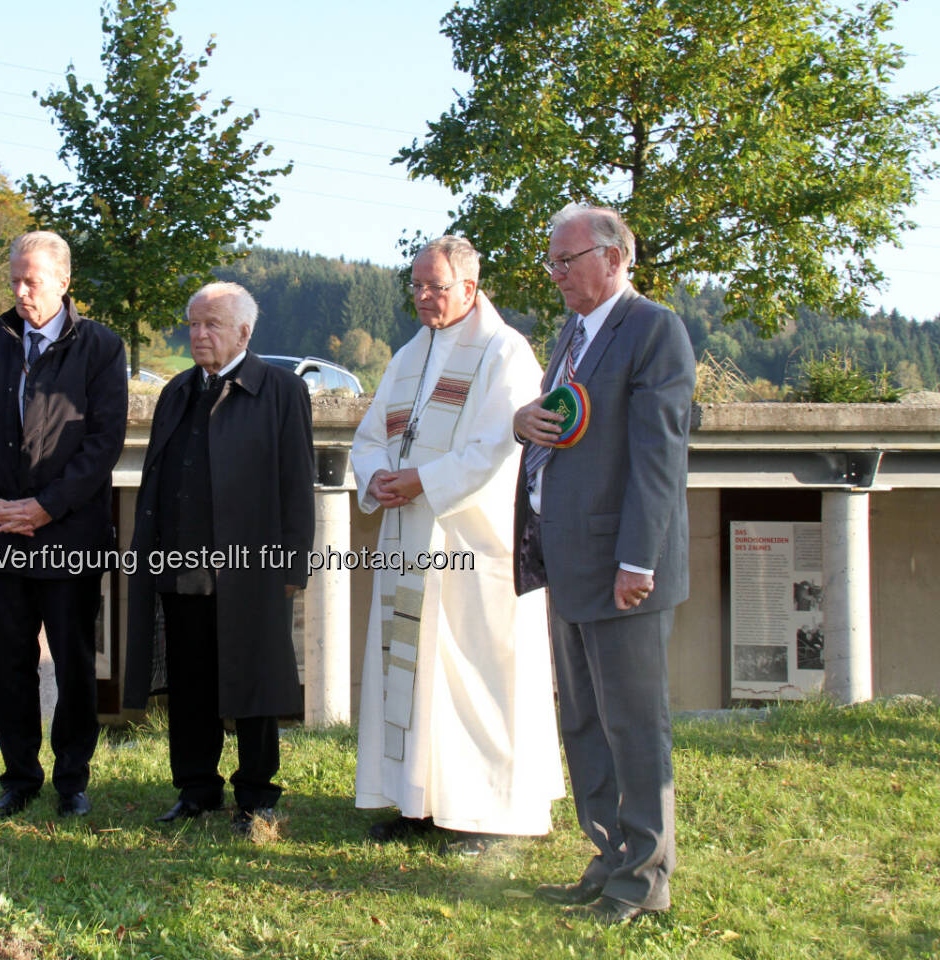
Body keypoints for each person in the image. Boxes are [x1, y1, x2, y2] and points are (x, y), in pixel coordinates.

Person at [512, 204, 696, 924]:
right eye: (551, 263)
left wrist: (636, 561)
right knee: (584, 722)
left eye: (568, 260)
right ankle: (608, 856)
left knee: (634, 727)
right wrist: (521, 422)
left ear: (615, 259)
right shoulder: (572, 335)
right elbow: (559, 426)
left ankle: (644, 881)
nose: (556, 275)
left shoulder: (654, 331)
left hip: (624, 574)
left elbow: (658, 460)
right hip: (569, 563)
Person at [350, 237, 563, 855]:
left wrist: (422, 481)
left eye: (435, 287)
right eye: (415, 285)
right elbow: (369, 436)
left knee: (476, 678)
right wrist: (378, 476)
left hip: (474, 547)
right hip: (409, 539)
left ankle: (487, 815)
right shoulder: (409, 356)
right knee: (414, 675)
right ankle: (418, 802)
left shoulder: (504, 353)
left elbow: (501, 450)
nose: (422, 297)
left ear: (470, 287)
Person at [124, 281, 314, 836]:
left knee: (254, 682)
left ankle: (257, 795)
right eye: (193, 324)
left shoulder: (279, 391)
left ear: (244, 332)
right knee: (189, 682)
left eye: (212, 325)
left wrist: (292, 567)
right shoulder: (177, 391)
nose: (199, 335)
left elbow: (296, 484)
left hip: (252, 568)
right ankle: (196, 789)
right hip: (180, 565)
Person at [0, 230, 127, 819]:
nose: (21, 291)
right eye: (15, 279)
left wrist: (47, 506)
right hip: (3, 530)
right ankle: (19, 775)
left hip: (70, 532)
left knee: (74, 661)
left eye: (32, 280)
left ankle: (71, 780)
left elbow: (103, 442)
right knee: (8, 659)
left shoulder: (101, 347)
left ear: (63, 282)